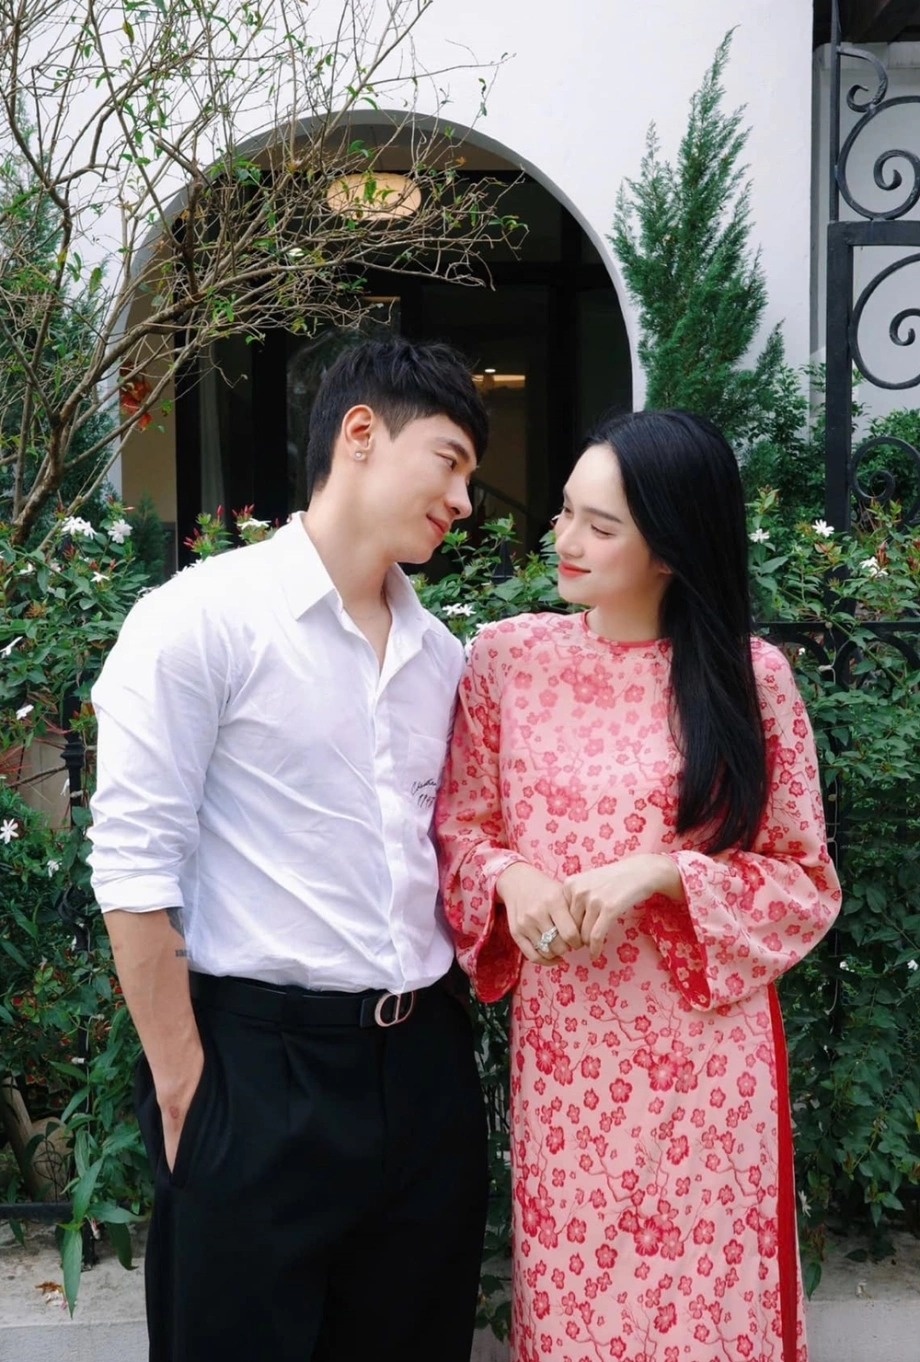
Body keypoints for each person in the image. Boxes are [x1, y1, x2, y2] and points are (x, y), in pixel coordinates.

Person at [88, 337, 490, 1362]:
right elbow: (133, 867)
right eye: (448, 462)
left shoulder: (441, 657)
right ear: (361, 433)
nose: (463, 500)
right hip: (257, 1073)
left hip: (424, 1071)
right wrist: (185, 1088)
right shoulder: (199, 620)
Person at [435, 409, 842, 1362]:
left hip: (707, 1066)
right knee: (576, 1307)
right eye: (566, 512)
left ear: (670, 544)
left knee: (709, 1315)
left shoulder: (749, 677)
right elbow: (458, 830)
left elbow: (804, 882)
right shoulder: (508, 659)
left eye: (601, 525)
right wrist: (513, 878)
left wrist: (662, 873)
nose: (565, 540)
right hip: (569, 1063)